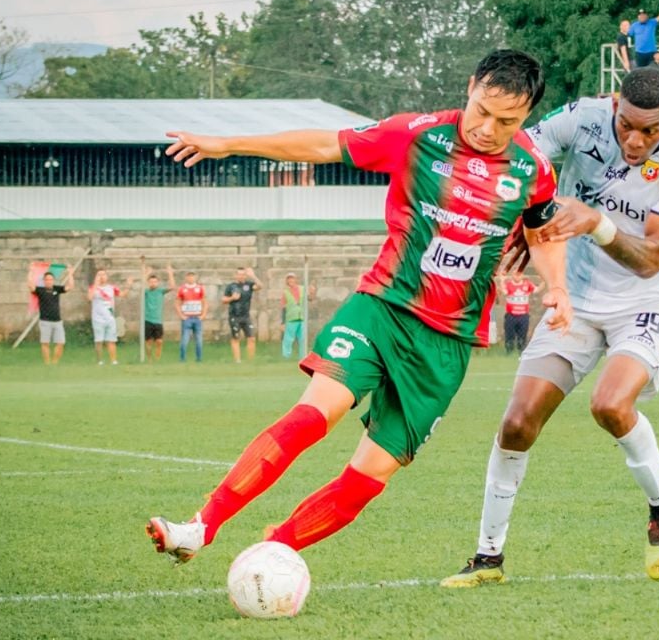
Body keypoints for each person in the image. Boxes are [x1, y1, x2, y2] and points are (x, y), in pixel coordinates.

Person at [146, 49, 572, 568]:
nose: (487, 127)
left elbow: (542, 228)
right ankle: (199, 527)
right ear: (470, 87)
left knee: (369, 477)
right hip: (382, 306)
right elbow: (326, 143)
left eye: (507, 120)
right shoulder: (419, 135)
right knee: (314, 413)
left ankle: (271, 555)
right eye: (482, 110)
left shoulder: (533, 168)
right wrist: (230, 144)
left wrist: (558, 285)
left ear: (527, 115)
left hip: (448, 344)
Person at [440, 67, 659, 587]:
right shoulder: (582, 118)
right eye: (627, 124)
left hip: (647, 299)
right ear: (614, 104)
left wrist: (594, 221)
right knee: (518, 422)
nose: (635, 140)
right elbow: (519, 157)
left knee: (610, 405)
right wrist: (530, 219)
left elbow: (652, 258)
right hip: (579, 295)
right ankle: (488, 558)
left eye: (650, 131)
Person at [30, 267, 74, 365]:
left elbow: (70, 286)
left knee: (61, 343)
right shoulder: (40, 290)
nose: (49, 281)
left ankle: (54, 362)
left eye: (51, 279)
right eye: (47, 279)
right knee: (45, 343)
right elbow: (30, 286)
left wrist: (70, 273)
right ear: (44, 281)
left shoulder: (57, 289)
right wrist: (31, 272)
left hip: (57, 321)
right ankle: (47, 363)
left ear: (53, 280)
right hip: (45, 321)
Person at [89, 270, 133, 366]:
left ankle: (113, 361)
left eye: (103, 274)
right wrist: (96, 284)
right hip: (97, 319)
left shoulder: (111, 288)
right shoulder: (93, 288)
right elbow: (89, 297)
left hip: (110, 318)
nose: (101, 276)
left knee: (111, 340)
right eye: (99, 274)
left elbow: (122, 294)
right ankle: (99, 360)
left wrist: (128, 285)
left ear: (107, 276)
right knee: (99, 341)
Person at [223, 266, 262, 363]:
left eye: (243, 275)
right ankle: (237, 360)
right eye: (239, 274)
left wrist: (253, 276)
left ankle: (250, 360)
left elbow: (260, 286)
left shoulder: (249, 285)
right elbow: (223, 300)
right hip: (234, 316)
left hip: (246, 316)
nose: (241, 276)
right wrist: (232, 298)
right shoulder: (231, 286)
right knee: (236, 338)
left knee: (252, 338)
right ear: (235, 275)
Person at [143, 264, 175, 362]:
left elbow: (172, 287)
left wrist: (170, 273)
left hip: (158, 320)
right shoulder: (146, 291)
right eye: (151, 282)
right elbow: (142, 284)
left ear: (158, 283)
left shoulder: (160, 291)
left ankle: (157, 357)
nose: (153, 283)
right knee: (148, 342)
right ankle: (149, 359)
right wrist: (146, 274)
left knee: (159, 341)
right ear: (148, 283)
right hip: (147, 319)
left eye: (155, 282)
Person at [280, 272, 316, 359]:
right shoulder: (285, 292)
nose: (290, 280)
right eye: (289, 279)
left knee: (303, 339)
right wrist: (283, 322)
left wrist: (312, 292)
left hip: (301, 317)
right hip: (291, 318)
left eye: (292, 278)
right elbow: (283, 307)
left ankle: (302, 356)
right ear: (287, 281)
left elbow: (310, 299)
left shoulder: (302, 289)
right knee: (288, 339)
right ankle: (286, 356)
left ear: (295, 279)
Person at [501, 269, 537, 354]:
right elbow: (504, 292)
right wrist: (502, 281)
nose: (517, 276)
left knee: (523, 335)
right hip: (511, 315)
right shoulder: (509, 285)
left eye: (519, 274)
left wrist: (545, 281)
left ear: (522, 275)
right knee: (509, 335)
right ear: (512, 275)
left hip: (523, 315)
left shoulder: (527, 284)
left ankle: (522, 352)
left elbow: (537, 290)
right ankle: (509, 352)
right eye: (515, 274)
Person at [176, 271, 208, 363]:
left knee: (199, 340)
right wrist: (181, 315)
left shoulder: (200, 288)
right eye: (189, 277)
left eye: (192, 277)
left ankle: (199, 359)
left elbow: (205, 302)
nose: (191, 278)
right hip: (187, 318)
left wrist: (203, 315)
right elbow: (177, 303)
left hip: (197, 317)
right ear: (186, 278)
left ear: (195, 278)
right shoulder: (182, 289)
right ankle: (182, 359)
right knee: (185, 339)